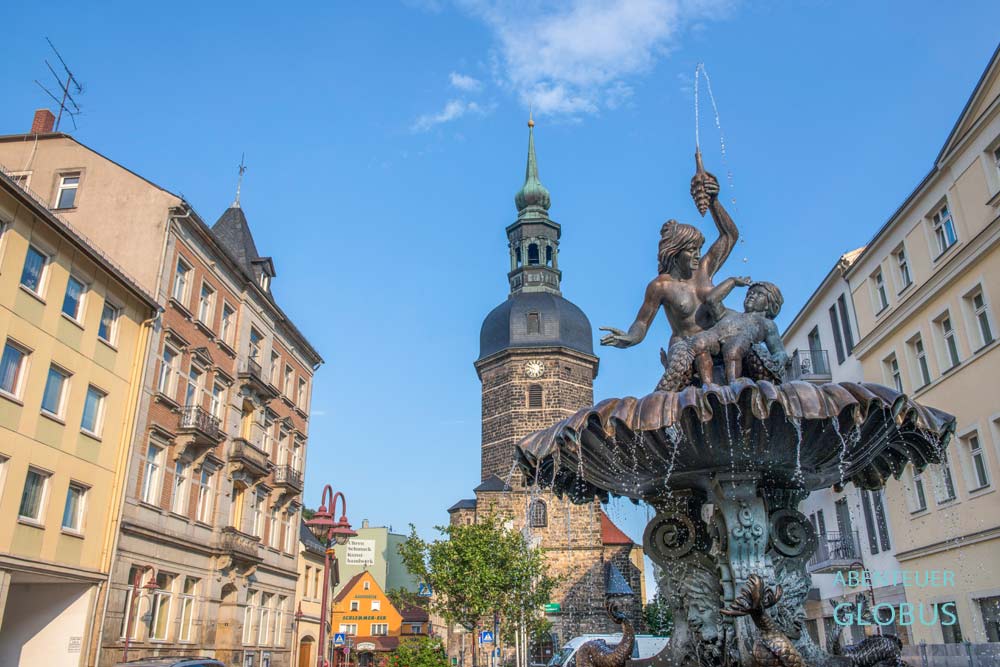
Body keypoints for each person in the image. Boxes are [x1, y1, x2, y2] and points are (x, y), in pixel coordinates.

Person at [600, 169, 737, 350]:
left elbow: (729, 236)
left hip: (717, 340)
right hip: (687, 347)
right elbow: (642, 322)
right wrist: (630, 337)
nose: (697, 255)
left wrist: (714, 202)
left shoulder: (705, 269)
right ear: (675, 252)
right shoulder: (660, 287)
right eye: (691, 250)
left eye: (699, 249)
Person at [657, 281, 788, 390]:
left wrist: (779, 358)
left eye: (759, 294)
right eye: (750, 293)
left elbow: (779, 351)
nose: (752, 296)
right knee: (699, 341)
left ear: (770, 305)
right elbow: (712, 300)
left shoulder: (767, 324)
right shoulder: (730, 314)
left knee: (734, 348)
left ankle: (733, 383)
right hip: (715, 338)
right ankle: (707, 384)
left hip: (741, 343)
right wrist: (732, 282)